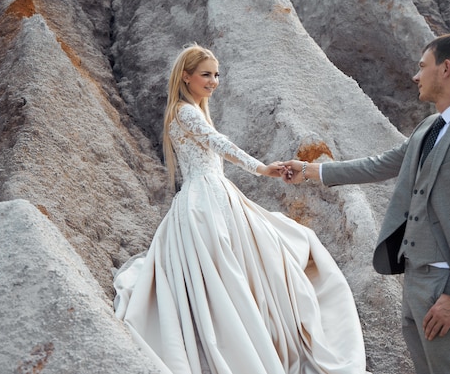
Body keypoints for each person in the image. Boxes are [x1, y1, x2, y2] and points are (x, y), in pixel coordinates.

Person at [112, 43, 367, 374]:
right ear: (186, 77)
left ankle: (246, 327)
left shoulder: (187, 111)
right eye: (206, 75)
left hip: (212, 196)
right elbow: (221, 145)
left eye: (216, 74)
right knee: (231, 265)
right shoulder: (185, 112)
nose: (214, 81)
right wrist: (263, 168)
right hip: (206, 198)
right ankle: (244, 336)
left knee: (237, 261)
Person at [283, 33, 450, 374]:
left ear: (446, 68)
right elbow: (379, 164)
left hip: (448, 286)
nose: (415, 76)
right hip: (414, 281)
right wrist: (311, 170)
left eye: (423, 67)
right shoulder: (427, 128)